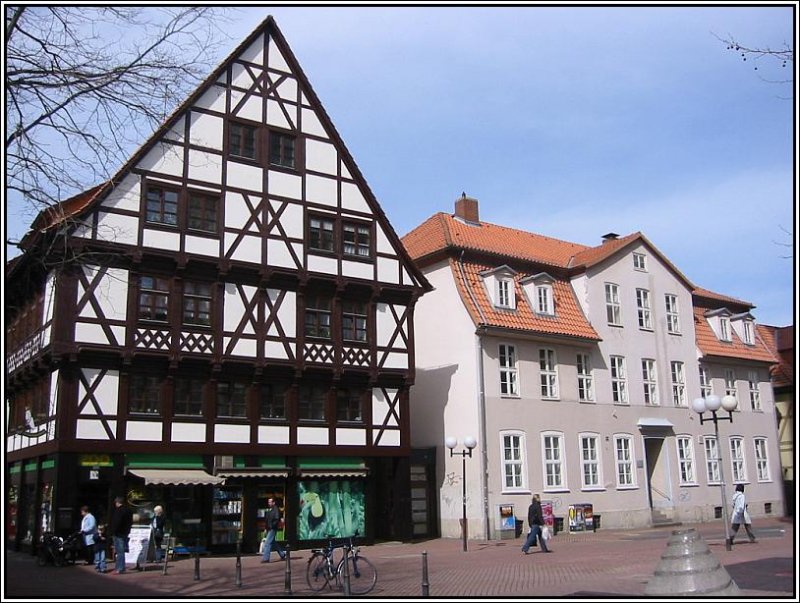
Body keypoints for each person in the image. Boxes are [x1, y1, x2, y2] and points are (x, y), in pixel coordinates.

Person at [110, 496, 133, 574]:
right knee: (121, 550)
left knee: (119, 551)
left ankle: (120, 568)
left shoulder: (119, 511)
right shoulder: (128, 510)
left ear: (117, 502)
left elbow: (117, 522)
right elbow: (130, 522)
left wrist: (113, 531)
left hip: (118, 533)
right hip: (125, 532)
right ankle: (119, 567)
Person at [260, 497, 286, 563]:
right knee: (273, 542)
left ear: (273, 502)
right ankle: (282, 554)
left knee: (267, 543)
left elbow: (277, 519)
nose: (269, 503)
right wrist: (266, 528)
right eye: (268, 502)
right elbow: (267, 520)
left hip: (273, 528)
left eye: (270, 502)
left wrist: (272, 526)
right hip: (269, 528)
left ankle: (266, 558)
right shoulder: (270, 509)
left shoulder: (276, 509)